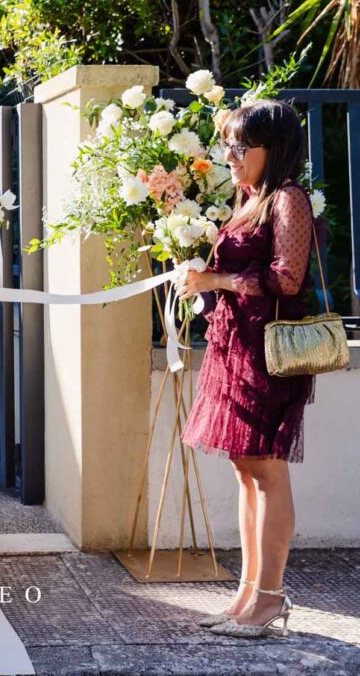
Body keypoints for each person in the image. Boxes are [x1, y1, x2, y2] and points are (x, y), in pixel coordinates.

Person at [178, 99, 315, 638]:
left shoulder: (287, 197)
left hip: (267, 353)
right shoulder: (250, 198)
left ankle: (270, 598)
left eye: (241, 146)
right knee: (245, 470)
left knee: (267, 470)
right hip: (234, 345)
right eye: (228, 145)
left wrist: (216, 281)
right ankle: (246, 594)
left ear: (272, 149)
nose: (230, 156)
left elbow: (288, 278)